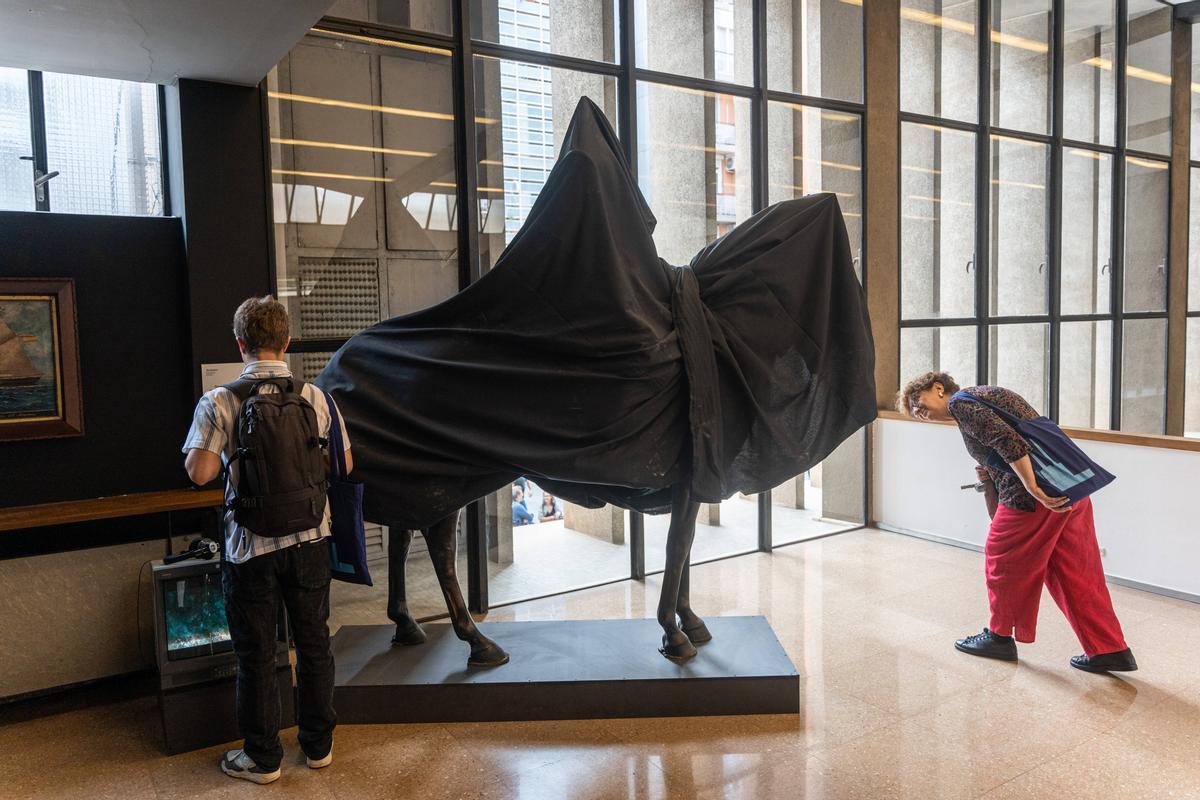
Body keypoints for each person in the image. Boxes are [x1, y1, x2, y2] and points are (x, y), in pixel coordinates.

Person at [183, 296, 352, 784]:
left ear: (240, 344)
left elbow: (200, 473)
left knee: (256, 654)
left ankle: (262, 758)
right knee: (315, 643)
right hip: (310, 539)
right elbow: (343, 464)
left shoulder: (220, 400)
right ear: (287, 342)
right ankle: (318, 747)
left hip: (249, 548)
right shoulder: (316, 396)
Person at [898, 372, 1136, 674]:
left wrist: (1033, 487)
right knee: (1076, 572)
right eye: (913, 412)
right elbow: (1015, 439)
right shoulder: (983, 395)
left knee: (1001, 558)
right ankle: (1110, 649)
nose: (919, 413)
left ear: (939, 388)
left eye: (917, 402)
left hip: (1036, 499)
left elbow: (1009, 442)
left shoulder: (961, 404)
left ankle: (998, 637)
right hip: (1070, 487)